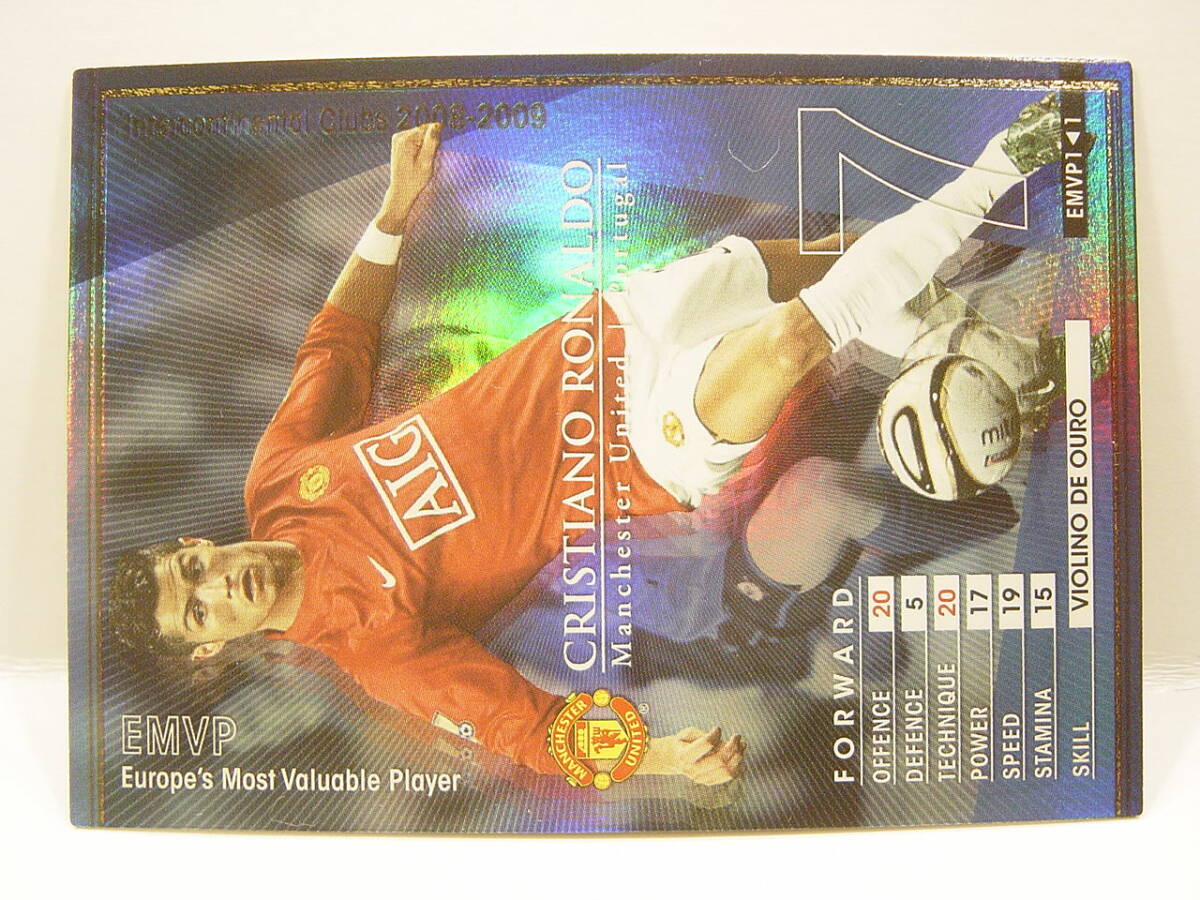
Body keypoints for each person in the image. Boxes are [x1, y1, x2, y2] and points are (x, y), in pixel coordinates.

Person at [109, 95, 1063, 785]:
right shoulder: (375, 646)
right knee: (794, 339)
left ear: (194, 546)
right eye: (198, 612)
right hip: (646, 448)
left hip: (613, 329)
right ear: (211, 648)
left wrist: (394, 210)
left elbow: (337, 345)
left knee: (835, 260)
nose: (214, 586)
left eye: (192, 571)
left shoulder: (281, 480)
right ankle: (1003, 160)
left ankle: (1002, 362)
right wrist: (657, 759)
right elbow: (524, 729)